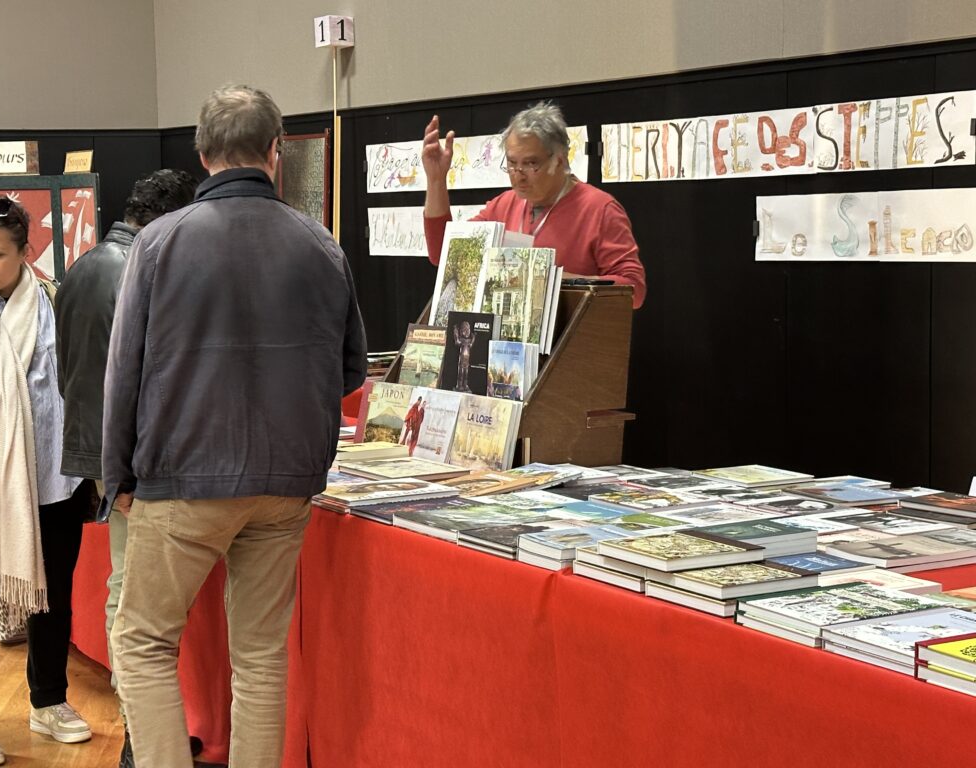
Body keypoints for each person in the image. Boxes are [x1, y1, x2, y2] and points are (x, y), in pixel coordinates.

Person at [102, 84, 367, 768]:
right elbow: (351, 371)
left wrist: (117, 475)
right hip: (287, 484)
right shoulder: (321, 244)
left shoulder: (159, 242)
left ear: (201, 153)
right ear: (276, 152)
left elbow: (122, 372)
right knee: (261, 653)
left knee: (143, 640)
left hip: (182, 478)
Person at [54, 169, 197, 768]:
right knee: (133, 594)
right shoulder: (146, 269)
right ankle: (141, 733)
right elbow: (145, 381)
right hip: (135, 459)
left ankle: (143, 727)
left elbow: (66, 366)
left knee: (126, 586)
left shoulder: (82, 266)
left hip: (96, 448)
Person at [0, 196, 91, 768]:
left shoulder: (58, 304)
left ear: (25, 253)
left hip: (54, 475)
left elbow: (78, 381)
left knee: (52, 594)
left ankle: (48, 700)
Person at [422, 102, 647, 308]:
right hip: (508, 349)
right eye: (511, 164)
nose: (518, 176)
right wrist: (435, 180)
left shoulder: (600, 208)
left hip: (574, 346)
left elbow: (633, 289)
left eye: (530, 164)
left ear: (559, 159)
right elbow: (444, 253)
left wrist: (555, 281)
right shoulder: (503, 205)